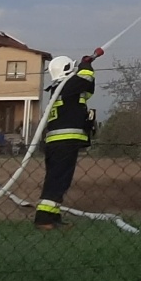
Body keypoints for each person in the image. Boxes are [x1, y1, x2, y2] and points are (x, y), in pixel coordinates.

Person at [35, 53, 97, 229]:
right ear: (67, 69)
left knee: (58, 179)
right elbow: (85, 77)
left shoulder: (64, 88)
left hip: (59, 141)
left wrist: (87, 67)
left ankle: (53, 216)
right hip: (64, 141)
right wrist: (86, 65)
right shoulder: (66, 85)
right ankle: (44, 219)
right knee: (58, 180)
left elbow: (88, 88)